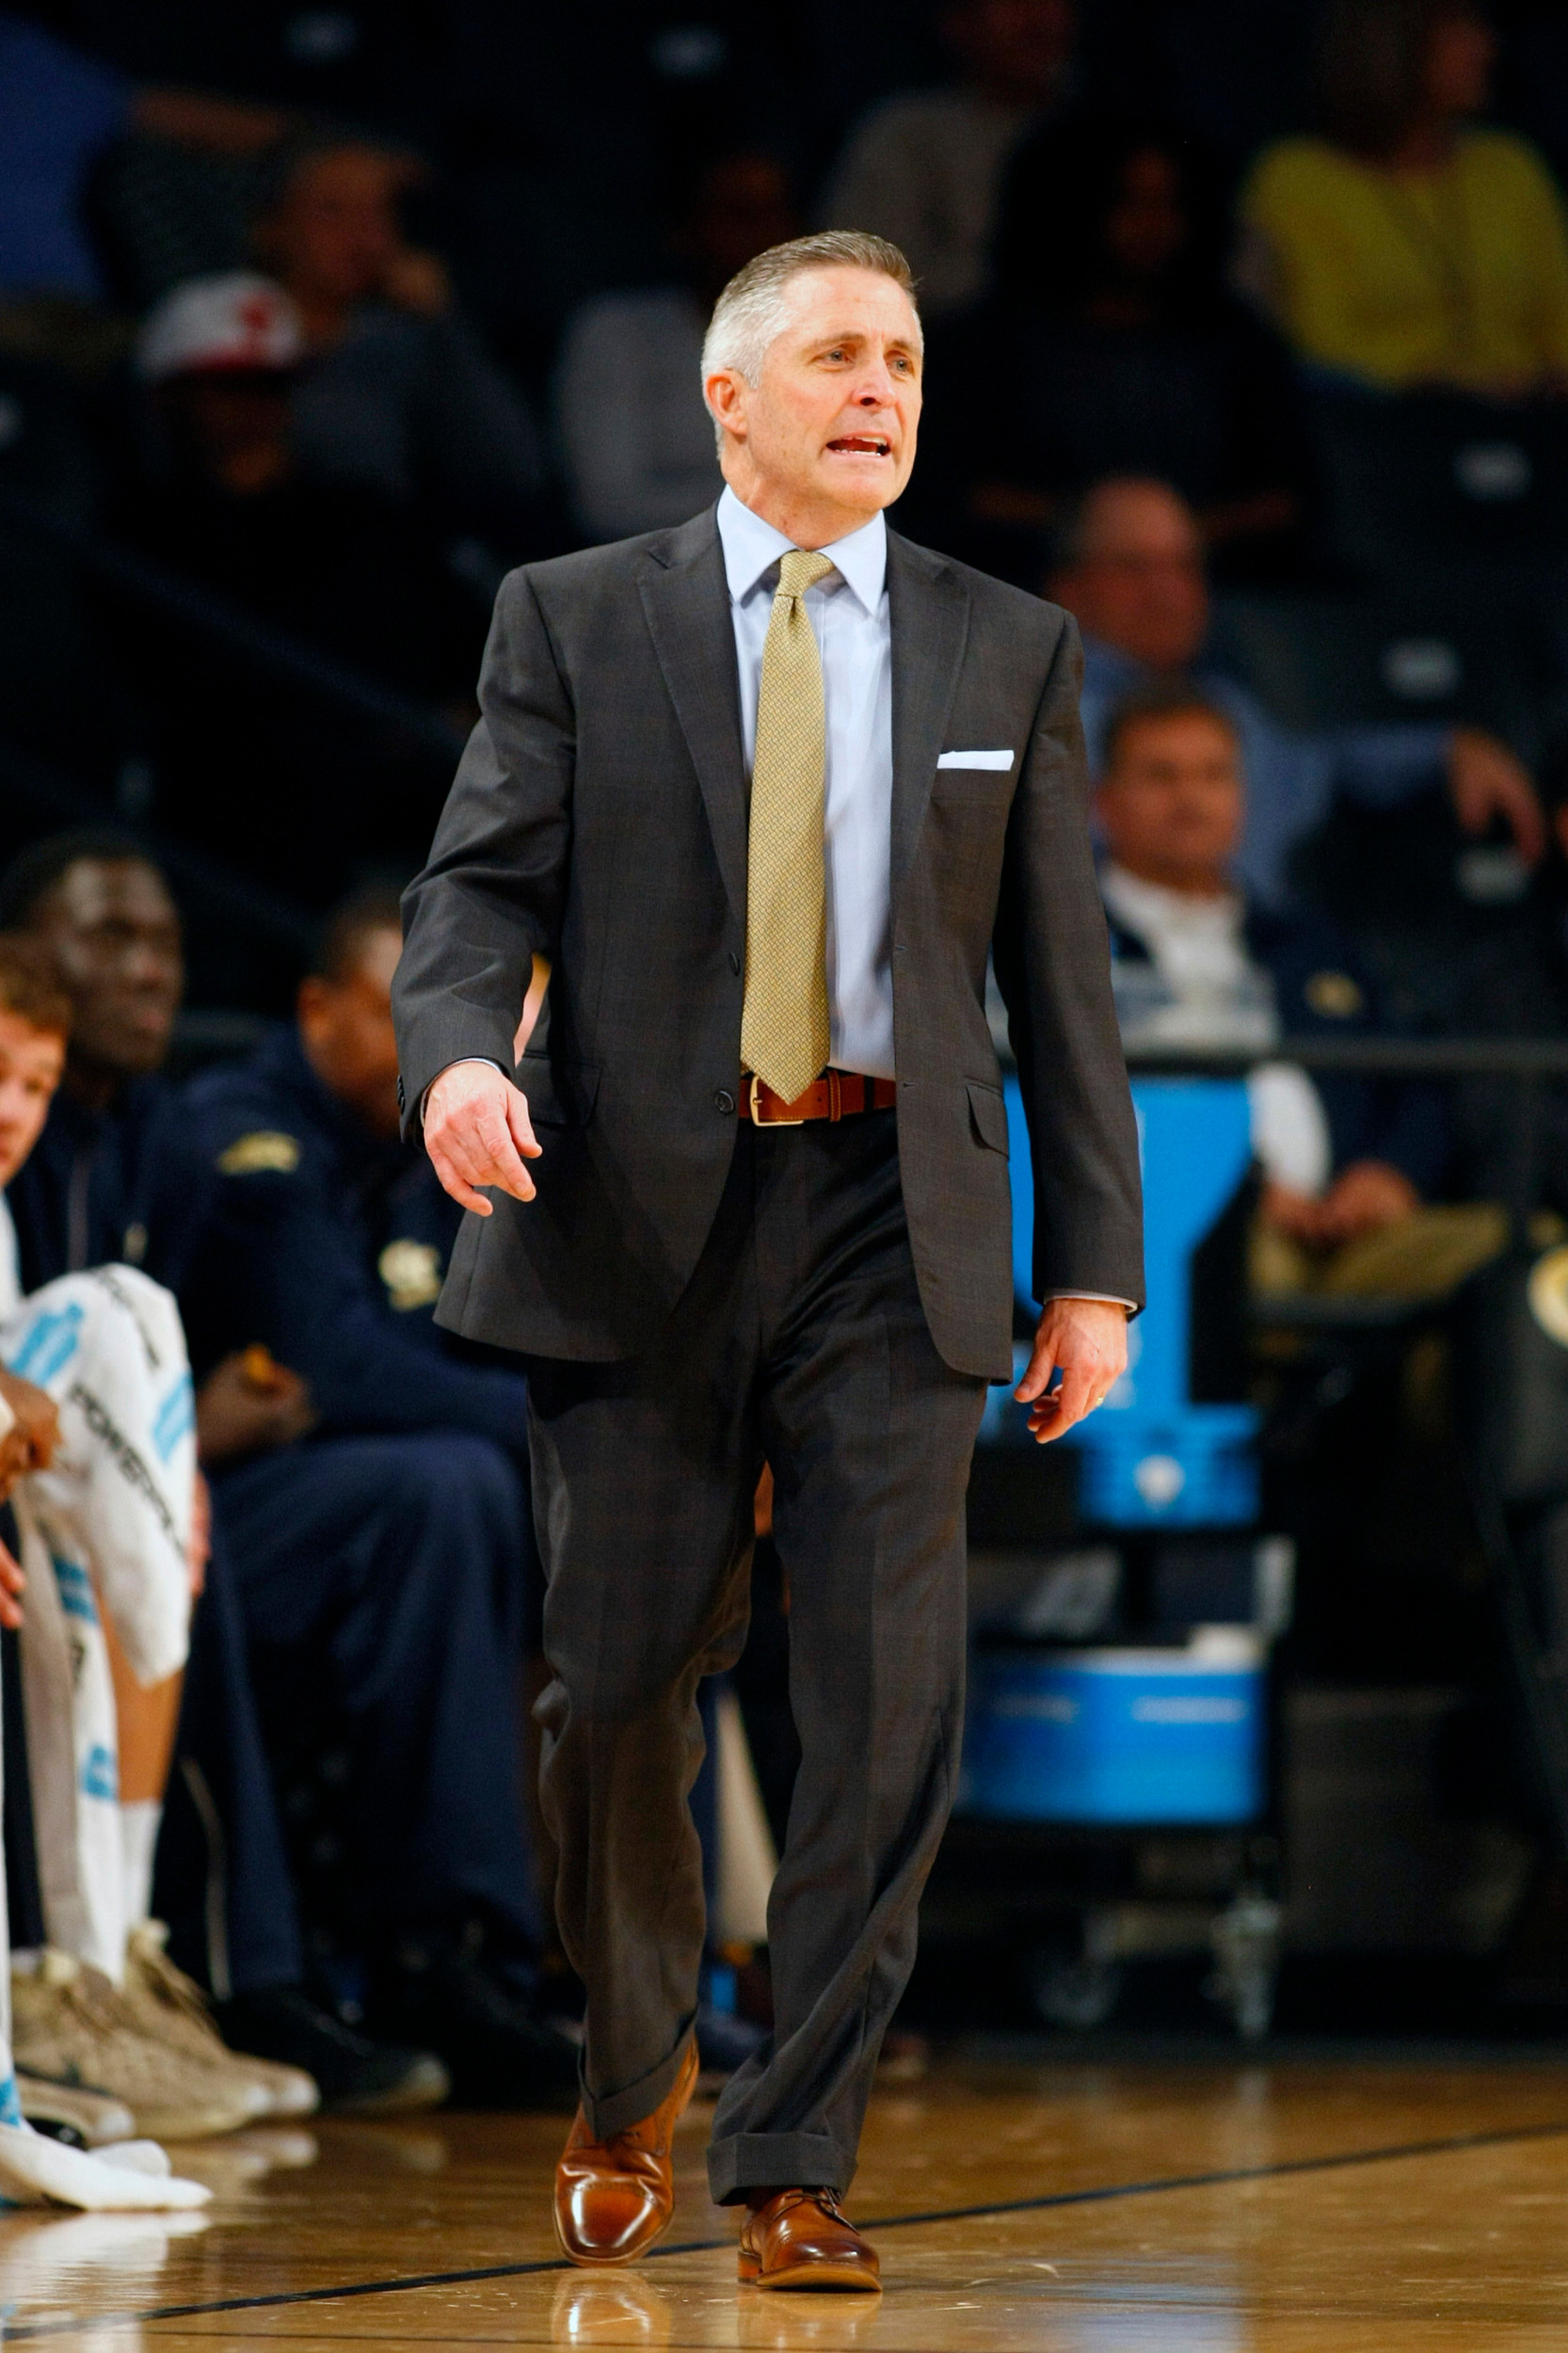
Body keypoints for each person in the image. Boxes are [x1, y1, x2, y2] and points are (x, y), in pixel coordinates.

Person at [394, 229, 1143, 2288]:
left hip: (893, 1213)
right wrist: (456, 1062)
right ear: (728, 398)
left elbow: (1059, 977)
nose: (878, 387)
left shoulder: (1008, 642)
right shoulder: (572, 614)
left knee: (888, 1704)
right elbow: (474, 893)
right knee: (616, 1690)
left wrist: (1093, 1269)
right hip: (634, 1205)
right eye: (834, 355)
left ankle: (793, 2153)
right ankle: (627, 2070)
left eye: (900, 357)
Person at [0, 834, 569, 2112]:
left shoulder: (153, 1127)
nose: (150, 973)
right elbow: (325, 1362)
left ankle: (570, 1961)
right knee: (430, 1494)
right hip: (137, 1499)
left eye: (166, 944)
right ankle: (250, 1977)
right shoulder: (232, 1130)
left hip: (162, 1491)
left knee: (618, 1522)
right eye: (109, 939)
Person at [1096, 682, 1503, 1294]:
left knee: (1512, 1256)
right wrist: (1242, 1189)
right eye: (1161, 776)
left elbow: (1415, 1075)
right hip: (1181, 1226)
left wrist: (1391, 1174)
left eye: (1213, 775)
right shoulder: (1066, 944)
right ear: (1102, 802)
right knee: (1236, 1267)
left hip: (1355, 1230)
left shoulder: (1309, 942)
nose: (1190, 799)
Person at [116, 272, 486, 901]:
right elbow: (181, 695)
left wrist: (460, 709)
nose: (256, 409)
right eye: (229, 386)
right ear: (168, 399)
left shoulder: (363, 514)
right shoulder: (140, 537)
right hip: (245, 812)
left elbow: (466, 638)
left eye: (272, 385)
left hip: (408, 784)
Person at [1052, 475, 1545, 907]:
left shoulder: (1234, 710)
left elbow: (1330, 760)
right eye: (1134, 567)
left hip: (1256, 963)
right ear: (1069, 586)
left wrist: (1447, 747)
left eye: (1184, 565)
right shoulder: (1037, 716)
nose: (1167, 592)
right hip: (1109, 966)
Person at [913, 119, 1317, 584]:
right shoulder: (989, 340)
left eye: (1171, 204)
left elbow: (1291, 499)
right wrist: (1093, 535)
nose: (1153, 226)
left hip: (1217, 588)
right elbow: (946, 495)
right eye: (1127, 203)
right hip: (1022, 585)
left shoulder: (1236, 340)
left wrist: (1169, 543)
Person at [1240, 0, 1568, 395]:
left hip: (1530, 415)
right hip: (1381, 417)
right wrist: (1454, 387)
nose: (1485, 47)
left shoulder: (1511, 166)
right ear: (1393, 45)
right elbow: (1321, 343)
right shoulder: (1298, 178)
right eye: (1458, 29)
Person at [251, 135, 546, 545]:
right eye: (332, 211)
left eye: (379, 212)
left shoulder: (409, 342)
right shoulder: (229, 327)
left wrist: (443, 328)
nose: (362, 236)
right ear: (272, 227)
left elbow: (512, 474)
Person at [554, 152, 798, 543]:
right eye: (741, 215)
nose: (768, 237)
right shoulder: (618, 333)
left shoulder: (832, 344)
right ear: (687, 230)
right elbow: (607, 505)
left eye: (779, 215)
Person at [821, 0, 1077, 315]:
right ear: (957, 21)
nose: (1036, 16)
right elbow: (863, 279)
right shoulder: (908, 135)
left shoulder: (1105, 130)